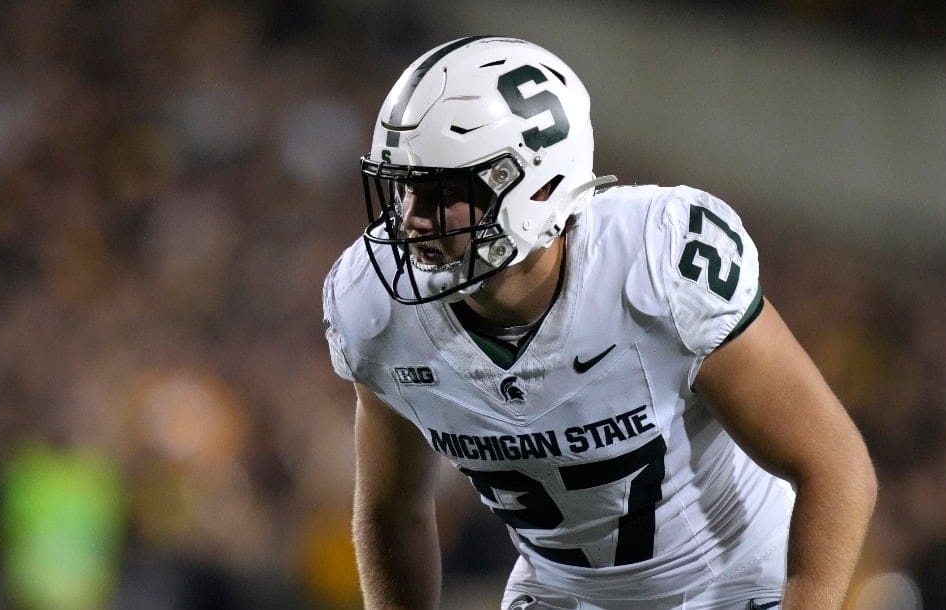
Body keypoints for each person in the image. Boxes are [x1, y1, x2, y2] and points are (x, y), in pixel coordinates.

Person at [322, 36, 876, 610]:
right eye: (406, 186)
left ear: (536, 186)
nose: (411, 219)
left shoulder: (657, 265)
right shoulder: (376, 307)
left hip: (735, 585)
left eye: (441, 191)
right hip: (562, 595)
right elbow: (393, 511)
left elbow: (834, 467)